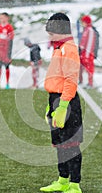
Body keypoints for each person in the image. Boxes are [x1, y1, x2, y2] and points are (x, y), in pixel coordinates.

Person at [41, 12, 83, 193]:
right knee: (60, 144)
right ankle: (63, 180)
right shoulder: (58, 48)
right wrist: (50, 106)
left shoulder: (69, 48)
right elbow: (55, 78)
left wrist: (63, 105)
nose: (49, 37)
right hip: (55, 100)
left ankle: (74, 185)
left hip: (67, 102)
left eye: (51, 33)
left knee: (71, 145)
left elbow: (71, 80)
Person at [0, 12, 14, 89]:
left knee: (7, 67)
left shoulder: (9, 28)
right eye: (0, 18)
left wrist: (9, 55)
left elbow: (11, 42)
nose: (0, 19)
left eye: (2, 18)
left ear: (6, 18)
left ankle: (7, 84)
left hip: (6, 51)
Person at [79, 15, 96, 89]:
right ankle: (81, 81)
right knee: (80, 67)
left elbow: (89, 42)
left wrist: (87, 54)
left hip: (88, 53)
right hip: (83, 52)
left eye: (83, 22)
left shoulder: (90, 30)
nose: (82, 23)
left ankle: (90, 83)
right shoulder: (85, 30)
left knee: (89, 68)